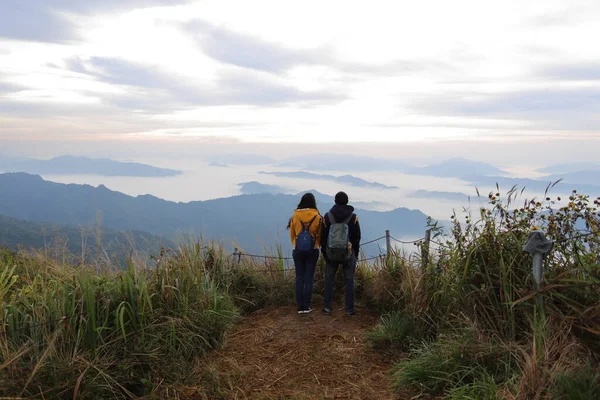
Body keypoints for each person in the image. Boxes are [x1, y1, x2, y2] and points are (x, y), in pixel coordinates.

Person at [320, 191, 361, 316]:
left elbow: (323, 237)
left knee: (329, 279)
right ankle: (349, 309)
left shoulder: (327, 217)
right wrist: (355, 253)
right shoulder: (353, 217)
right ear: (347, 201)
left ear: (335, 201)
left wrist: (324, 253)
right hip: (348, 253)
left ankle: (327, 307)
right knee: (349, 280)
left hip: (331, 253)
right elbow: (357, 237)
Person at [287, 192, 323, 314]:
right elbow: (320, 235)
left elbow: (292, 234)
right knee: (308, 278)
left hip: (297, 249)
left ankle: (299, 306)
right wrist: (316, 244)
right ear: (314, 203)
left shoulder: (295, 216)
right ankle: (306, 306)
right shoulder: (317, 216)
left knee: (299, 278)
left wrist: (296, 244)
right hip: (313, 250)